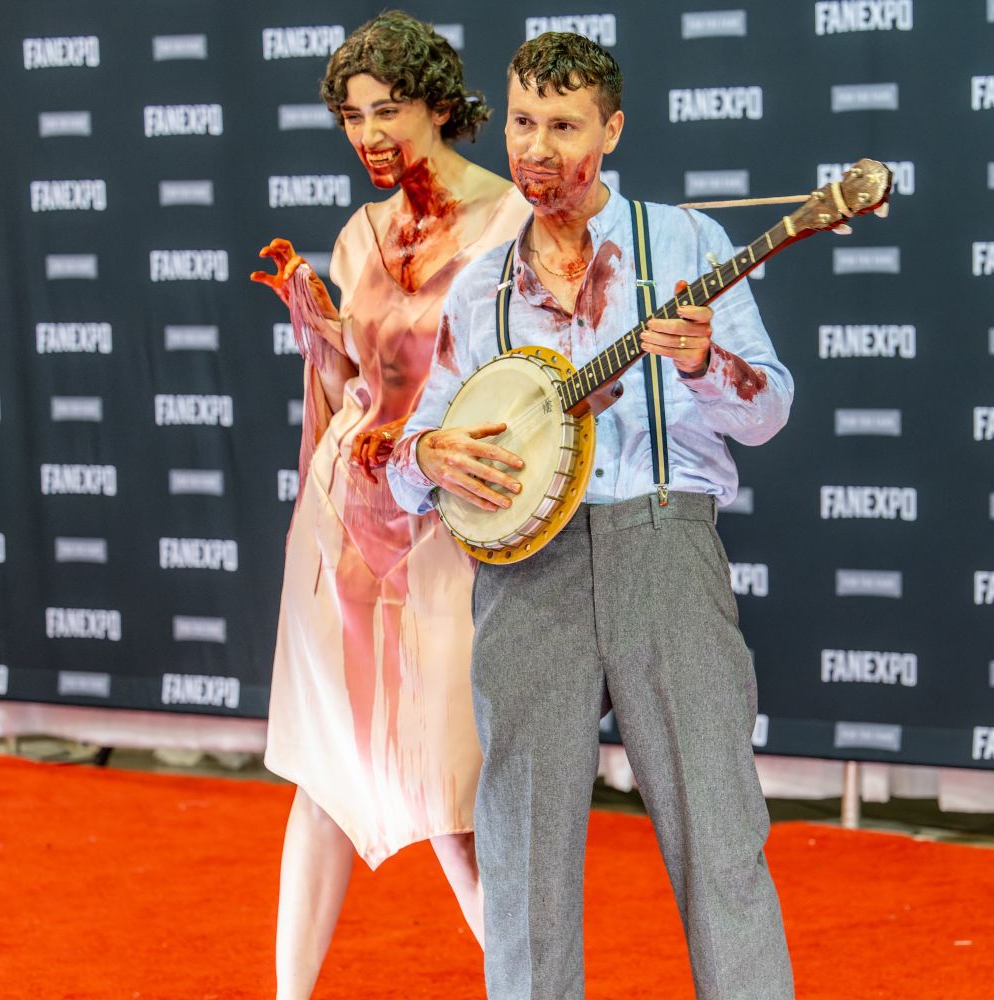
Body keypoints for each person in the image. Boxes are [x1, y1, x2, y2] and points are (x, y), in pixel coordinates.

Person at [387, 32, 796, 1000]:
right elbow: (413, 460)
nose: (536, 149)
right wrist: (429, 455)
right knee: (522, 848)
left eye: (564, 127)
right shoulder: (480, 288)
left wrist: (704, 362)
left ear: (611, 131)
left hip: (665, 543)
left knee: (719, 828)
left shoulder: (686, 245)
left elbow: (769, 410)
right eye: (522, 123)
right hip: (526, 575)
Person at [249, 12, 527, 999]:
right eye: (352, 115)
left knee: (454, 802)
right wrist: (322, 339)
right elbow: (354, 393)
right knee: (322, 777)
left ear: (440, 107)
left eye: (389, 109)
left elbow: (522, 388)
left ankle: (529, 985)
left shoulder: (509, 222)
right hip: (344, 526)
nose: (368, 134)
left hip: (447, 530)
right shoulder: (356, 234)